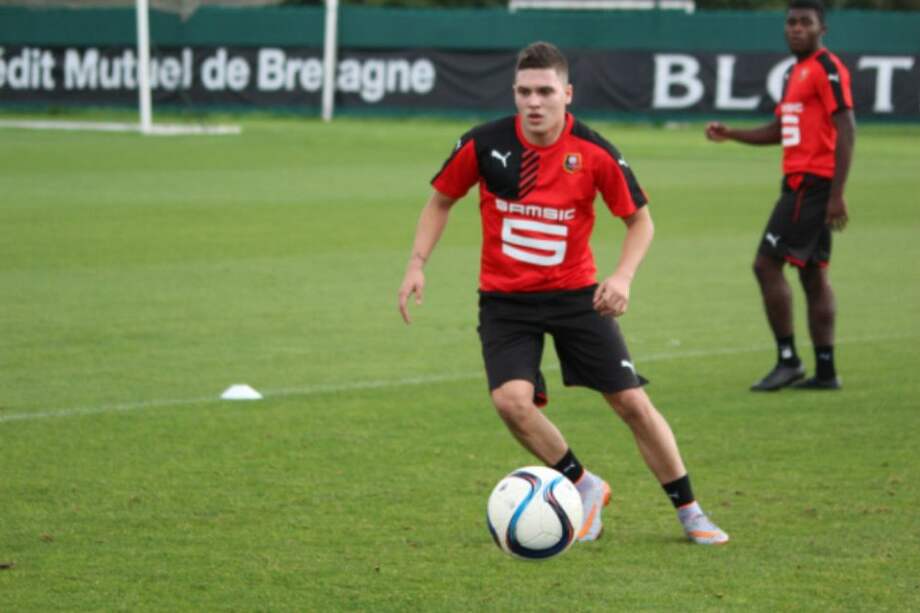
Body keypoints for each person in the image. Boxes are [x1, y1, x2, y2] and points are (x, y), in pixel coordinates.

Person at [398, 41, 728, 545]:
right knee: (511, 402)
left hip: (578, 297)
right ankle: (584, 484)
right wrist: (417, 264)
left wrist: (621, 278)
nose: (534, 102)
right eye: (524, 92)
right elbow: (440, 200)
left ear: (567, 93)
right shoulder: (484, 144)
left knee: (631, 404)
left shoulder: (594, 152)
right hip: (506, 302)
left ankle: (691, 511)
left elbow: (640, 222)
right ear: (514, 93)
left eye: (545, 91)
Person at [706, 0, 856, 391]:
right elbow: (779, 130)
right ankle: (825, 371)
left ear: (822, 29)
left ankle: (788, 360)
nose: (796, 28)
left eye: (805, 22)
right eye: (791, 22)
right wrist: (732, 134)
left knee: (766, 265)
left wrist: (836, 194)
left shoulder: (826, 68)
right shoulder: (796, 71)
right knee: (812, 274)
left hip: (812, 185)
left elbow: (847, 127)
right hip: (802, 184)